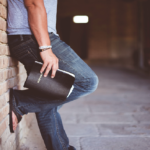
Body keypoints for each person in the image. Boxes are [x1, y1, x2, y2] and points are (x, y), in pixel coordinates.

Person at [7, 0, 99, 149]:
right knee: (87, 81)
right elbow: (33, 3)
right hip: (31, 37)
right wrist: (45, 48)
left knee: (46, 95)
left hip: (29, 36)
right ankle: (21, 101)